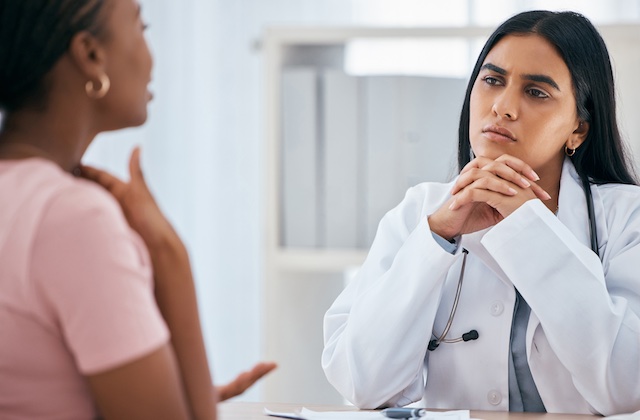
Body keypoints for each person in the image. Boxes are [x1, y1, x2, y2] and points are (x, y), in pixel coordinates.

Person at [322, 10, 640, 416]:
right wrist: (435, 240)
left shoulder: (627, 219)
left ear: (578, 128)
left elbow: (626, 386)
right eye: (492, 81)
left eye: (536, 92)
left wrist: (531, 227)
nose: (503, 107)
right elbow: (361, 384)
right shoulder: (420, 213)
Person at [0, 0, 275, 419]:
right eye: (141, 27)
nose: (151, 55)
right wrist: (169, 254)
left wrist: (159, 386)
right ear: (91, 55)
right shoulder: (72, 218)